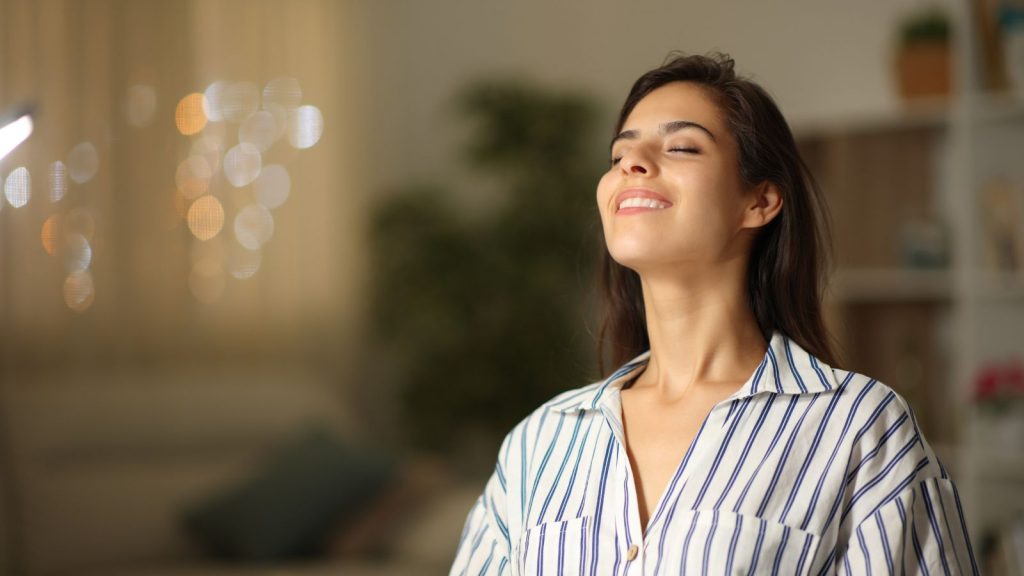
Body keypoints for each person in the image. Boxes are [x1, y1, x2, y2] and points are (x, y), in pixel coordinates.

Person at [449, 52, 977, 575]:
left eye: (681, 146)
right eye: (618, 157)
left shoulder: (860, 429)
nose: (632, 164)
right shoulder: (540, 441)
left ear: (760, 202)